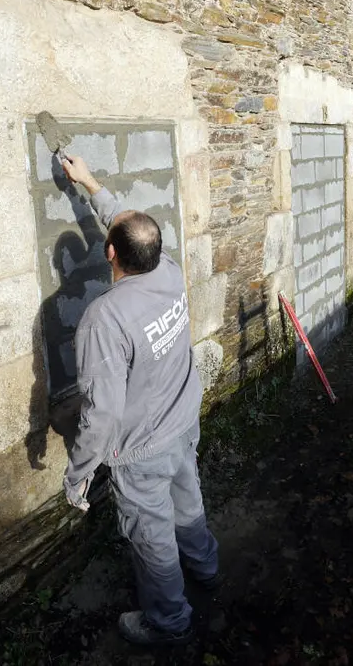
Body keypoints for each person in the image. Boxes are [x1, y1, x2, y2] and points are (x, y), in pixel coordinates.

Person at [58, 153, 220, 646]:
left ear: (110, 254)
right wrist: (88, 183)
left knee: (152, 540)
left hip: (142, 450)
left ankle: (169, 622)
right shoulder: (165, 268)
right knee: (187, 502)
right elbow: (128, 225)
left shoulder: (105, 319)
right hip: (182, 423)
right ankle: (207, 567)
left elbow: (101, 411)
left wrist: (79, 474)